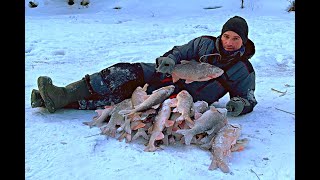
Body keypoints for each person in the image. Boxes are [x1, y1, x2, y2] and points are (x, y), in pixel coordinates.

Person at [31, 15, 257, 117]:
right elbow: (178, 52)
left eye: (235, 39)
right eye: (226, 36)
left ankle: (53, 100)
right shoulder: (204, 43)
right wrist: (168, 60)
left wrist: (240, 104)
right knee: (122, 72)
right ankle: (62, 93)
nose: (229, 42)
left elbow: (248, 98)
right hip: (168, 75)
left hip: (183, 97)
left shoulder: (244, 70)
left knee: (123, 101)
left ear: (243, 41)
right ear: (221, 34)